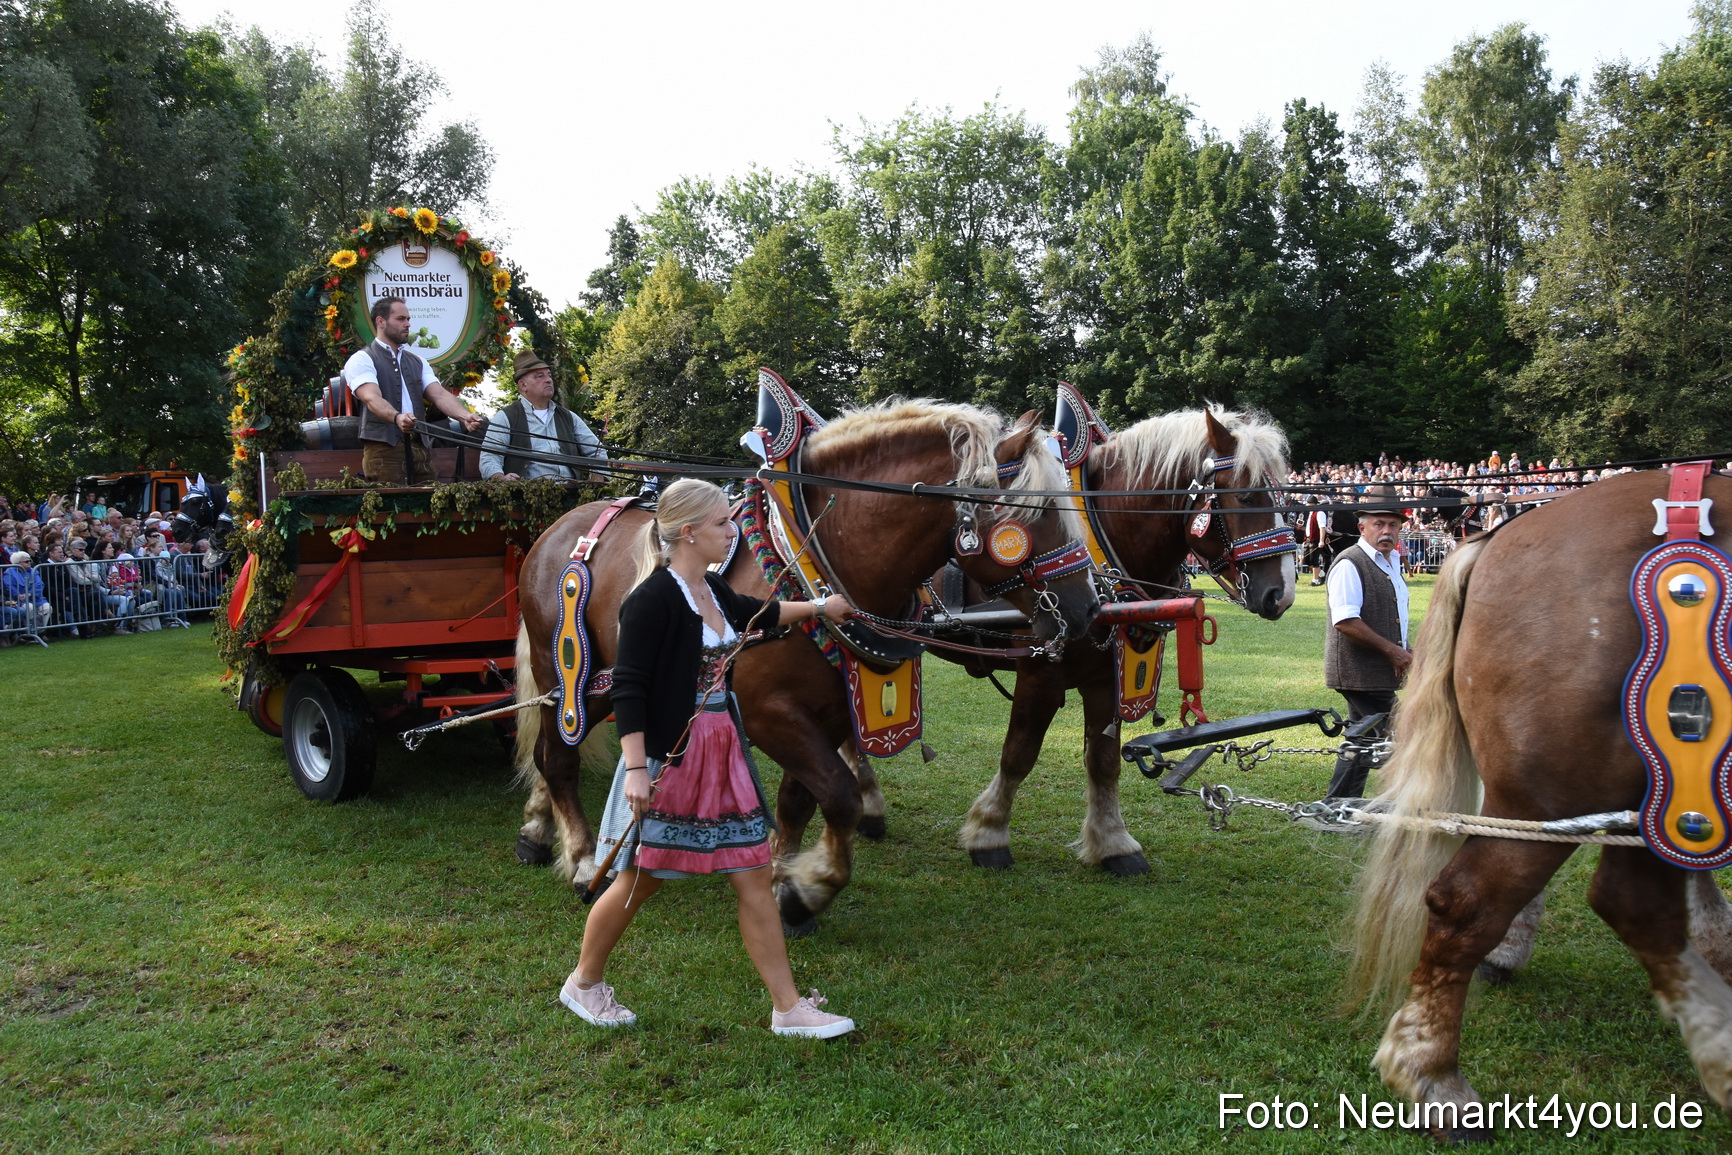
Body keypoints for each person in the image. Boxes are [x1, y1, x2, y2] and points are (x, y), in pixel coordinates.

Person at [561, 479, 857, 1038]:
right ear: (689, 532)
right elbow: (628, 687)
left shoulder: (714, 591)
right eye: (724, 523)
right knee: (638, 881)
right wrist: (637, 769)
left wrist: (820, 606)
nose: (734, 532)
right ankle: (583, 982)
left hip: (723, 753)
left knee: (751, 875)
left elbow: (762, 614)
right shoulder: (651, 600)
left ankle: (788, 1008)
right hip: (670, 759)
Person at [1323, 485, 1411, 800]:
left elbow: (1392, 615)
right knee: (1402, 735)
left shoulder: (1391, 562)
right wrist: (1394, 652)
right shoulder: (1350, 562)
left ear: (1401, 528)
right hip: (1359, 672)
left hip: (1375, 670)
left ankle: (1338, 805)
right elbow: (1346, 621)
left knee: (1361, 739)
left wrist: (1404, 648)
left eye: (1392, 525)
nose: (1386, 531)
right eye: (1379, 524)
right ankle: (1408, 804)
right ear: (1362, 527)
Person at [344, 295, 486, 484]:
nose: (408, 324)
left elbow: (439, 394)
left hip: (421, 447)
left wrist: (463, 415)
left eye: (408, 319)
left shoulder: (417, 361)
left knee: (428, 508)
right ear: (381, 322)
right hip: (384, 450)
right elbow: (371, 398)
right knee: (391, 510)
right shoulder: (362, 359)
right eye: (401, 319)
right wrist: (397, 417)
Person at [478, 351, 608, 482]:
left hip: (571, 494)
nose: (548, 380)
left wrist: (599, 477)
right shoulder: (506, 417)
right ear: (523, 385)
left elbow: (596, 451)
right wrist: (500, 478)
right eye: (539, 376)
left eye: (549, 375)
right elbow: (490, 457)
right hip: (527, 496)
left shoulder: (568, 417)